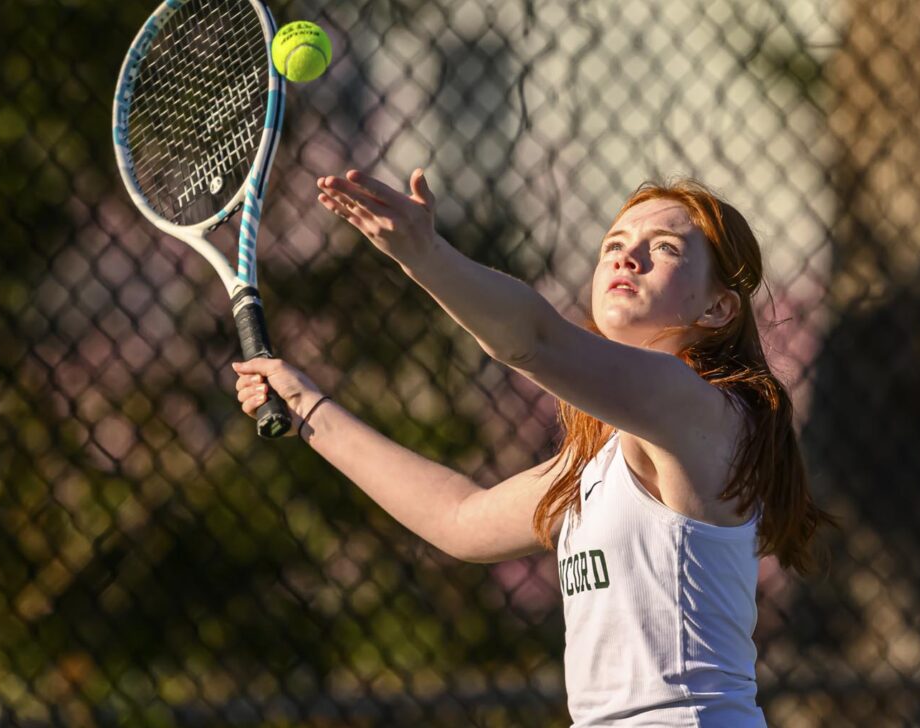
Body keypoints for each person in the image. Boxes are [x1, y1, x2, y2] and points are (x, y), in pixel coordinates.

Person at [232, 168, 833, 727]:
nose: (628, 253)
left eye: (667, 247)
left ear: (718, 307)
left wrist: (423, 254)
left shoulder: (701, 410)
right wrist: (309, 407)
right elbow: (459, 519)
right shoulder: (599, 462)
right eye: (614, 243)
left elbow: (532, 339)